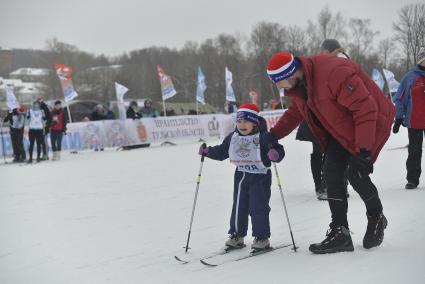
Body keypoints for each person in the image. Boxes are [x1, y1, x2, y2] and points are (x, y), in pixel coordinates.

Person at [266, 51, 394, 254]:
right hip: (341, 126)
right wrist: (273, 135)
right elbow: (296, 112)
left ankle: (376, 217)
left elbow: (366, 108)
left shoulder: (333, 72)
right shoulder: (300, 86)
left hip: (372, 121)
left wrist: (364, 151)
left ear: (288, 75)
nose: (278, 88)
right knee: (332, 172)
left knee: (356, 172)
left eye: (278, 83)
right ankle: (340, 233)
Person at [198, 104, 285, 250]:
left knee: (258, 207)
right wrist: (208, 152)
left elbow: (278, 150)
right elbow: (222, 151)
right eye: (238, 122)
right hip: (241, 177)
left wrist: (275, 154)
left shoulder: (264, 137)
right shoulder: (233, 137)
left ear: (254, 122)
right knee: (239, 206)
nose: (241, 125)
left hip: (260, 177)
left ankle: (262, 237)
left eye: (246, 121)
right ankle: (237, 235)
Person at [296, 39, 349, 200]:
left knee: (337, 152)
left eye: (326, 51)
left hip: (335, 117)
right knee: (319, 152)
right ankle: (321, 186)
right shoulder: (314, 66)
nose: (323, 53)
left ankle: (338, 185)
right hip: (316, 117)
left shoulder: (342, 63)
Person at [393, 47, 425, 189]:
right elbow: (399, 98)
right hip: (415, 122)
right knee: (414, 151)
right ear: (420, 60)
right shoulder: (410, 77)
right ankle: (412, 179)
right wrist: (399, 118)